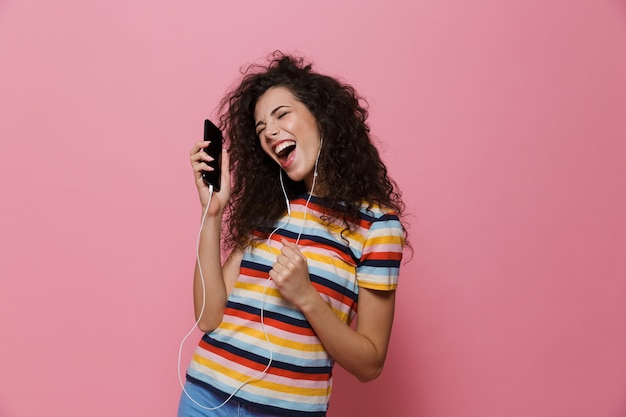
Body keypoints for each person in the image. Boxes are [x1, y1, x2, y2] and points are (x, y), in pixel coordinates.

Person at [180, 52, 408, 417]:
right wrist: (213, 211)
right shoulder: (268, 208)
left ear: (322, 116)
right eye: (259, 129)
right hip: (205, 399)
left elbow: (370, 364)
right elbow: (208, 318)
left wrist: (306, 296)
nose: (269, 132)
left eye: (281, 114)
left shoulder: (377, 225)